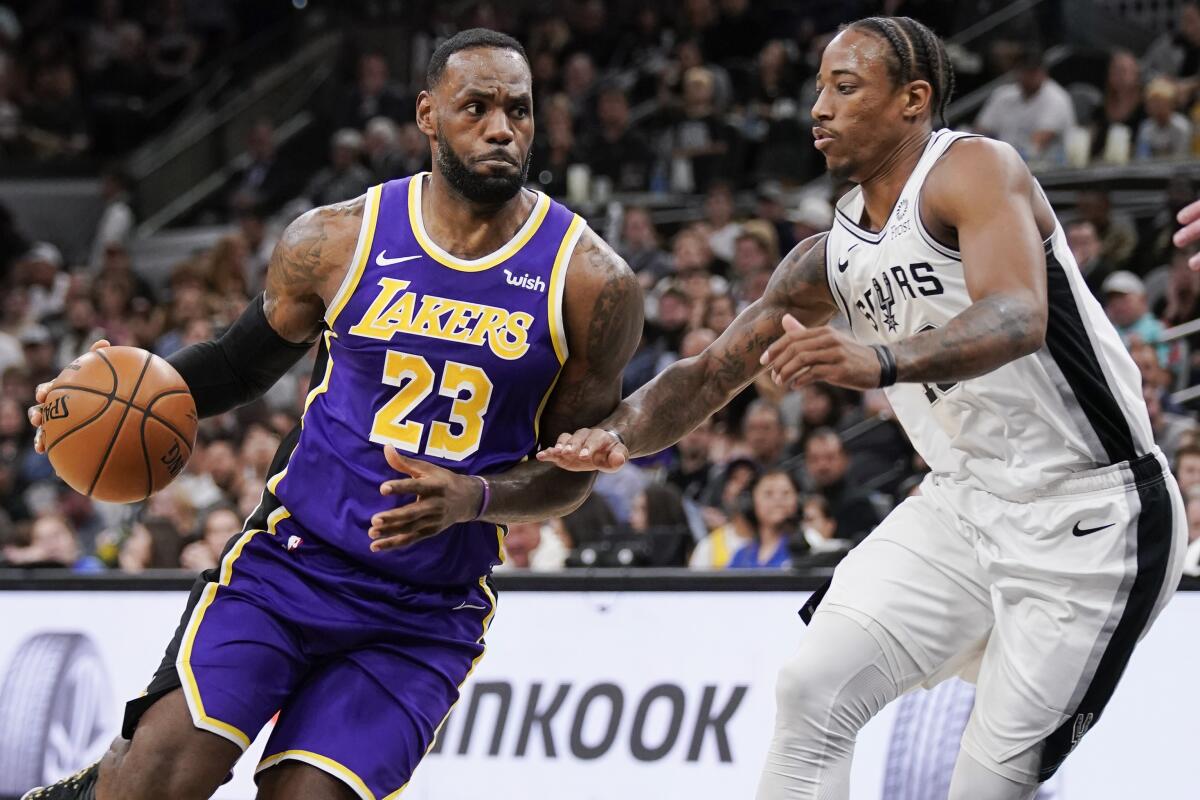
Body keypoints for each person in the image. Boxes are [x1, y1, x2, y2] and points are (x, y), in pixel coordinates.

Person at [540, 16, 1186, 799]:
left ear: (914, 100)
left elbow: (1019, 314)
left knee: (986, 784)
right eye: (818, 88)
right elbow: (711, 372)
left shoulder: (974, 170)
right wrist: (616, 434)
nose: (818, 107)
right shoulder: (829, 255)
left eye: (844, 88)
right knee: (813, 692)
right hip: (965, 503)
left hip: (1095, 515)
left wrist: (879, 360)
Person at [24, 28, 642, 800]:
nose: (500, 128)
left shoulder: (589, 282)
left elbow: (564, 477)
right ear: (427, 114)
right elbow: (237, 365)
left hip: (423, 612)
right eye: (475, 107)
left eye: (517, 109)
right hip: (292, 561)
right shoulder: (337, 239)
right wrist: (110, 394)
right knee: (154, 781)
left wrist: (475, 499)